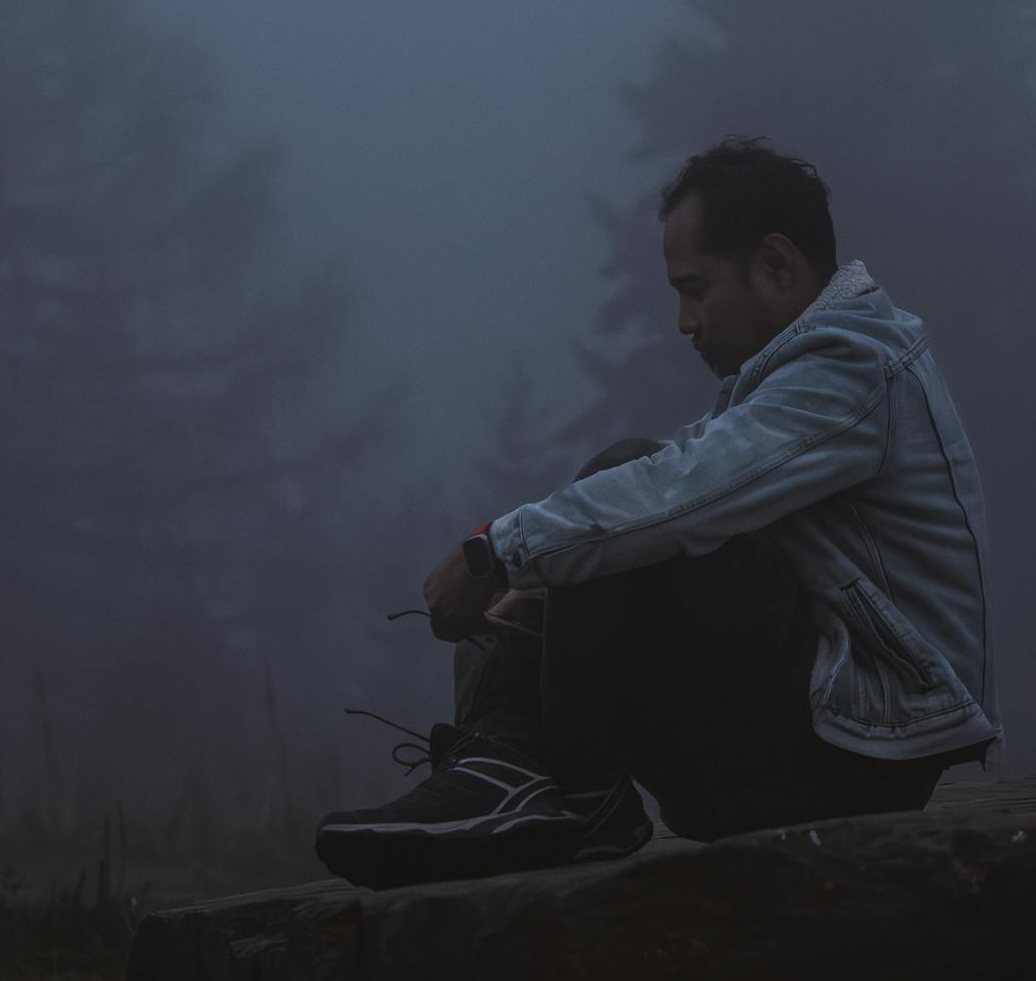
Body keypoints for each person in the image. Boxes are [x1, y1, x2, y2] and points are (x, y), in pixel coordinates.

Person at [315, 137, 1001, 890]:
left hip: (857, 758)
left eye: (695, 287)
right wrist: (542, 589)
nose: (683, 320)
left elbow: (679, 496)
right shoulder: (799, 381)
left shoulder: (854, 368)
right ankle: (509, 771)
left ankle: (557, 791)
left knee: (616, 498)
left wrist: (493, 549)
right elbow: (683, 487)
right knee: (557, 569)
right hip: (817, 744)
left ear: (776, 264)